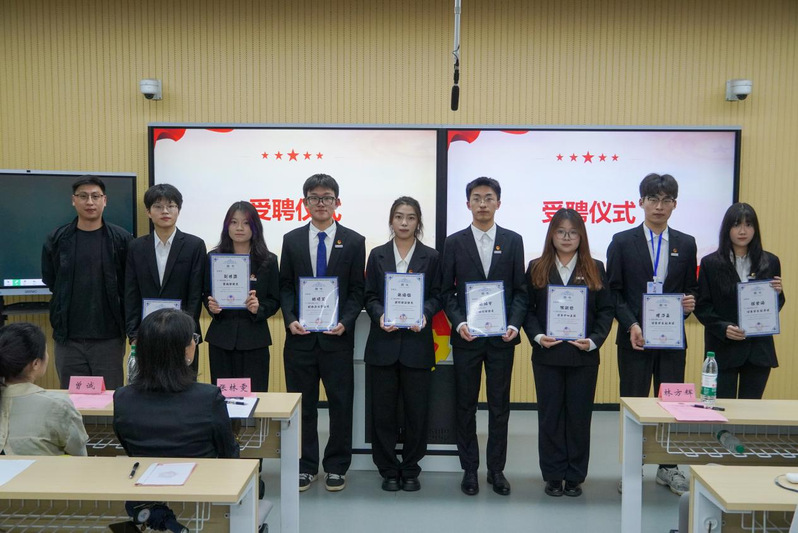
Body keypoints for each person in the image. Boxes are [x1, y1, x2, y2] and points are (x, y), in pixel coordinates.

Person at [606, 172, 698, 496]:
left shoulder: (686, 243)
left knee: (673, 404)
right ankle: (631, 469)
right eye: (653, 199)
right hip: (634, 338)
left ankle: (668, 468)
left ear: (674, 204)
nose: (659, 206)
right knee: (634, 403)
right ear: (640, 202)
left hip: (672, 340)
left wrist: (689, 304)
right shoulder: (621, 241)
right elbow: (614, 292)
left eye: (666, 200)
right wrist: (631, 324)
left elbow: (691, 290)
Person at [440, 176, 527, 497]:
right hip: (467, 338)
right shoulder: (454, 242)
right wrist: (459, 322)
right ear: (468, 204)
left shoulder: (513, 241)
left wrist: (514, 324)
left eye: (488, 198)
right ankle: (469, 470)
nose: (482, 204)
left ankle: (496, 470)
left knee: (499, 406)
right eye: (476, 198)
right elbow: (445, 291)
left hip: (502, 339)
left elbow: (521, 290)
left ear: (498, 203)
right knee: (465, 405)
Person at [279, 174, 366, 492]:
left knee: (341, 404)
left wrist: (346, 320)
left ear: (337, 202)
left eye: (327, 197)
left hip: (336, 337)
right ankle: (305, 465)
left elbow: (357, 290)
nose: (320, 203)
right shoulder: (291, 239)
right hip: (300, 338)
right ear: (305, 203)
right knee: (304, 406)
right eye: (314, 197)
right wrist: (290, 319)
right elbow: (285, 286)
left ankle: (337, 466)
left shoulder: (354, 241)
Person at [523, 208, 614, 498]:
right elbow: (527, 309)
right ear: (551, 234)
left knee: (579, 417)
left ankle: (574, 476)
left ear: (581, 236)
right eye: (560, 231)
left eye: (573, 232)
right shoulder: (536, 267)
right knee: (549, 416)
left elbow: (606, 310)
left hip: (583, 356)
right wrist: (538, 336)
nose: (566, 237)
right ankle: (552, 475)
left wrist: (594, 340)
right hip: (547, 355)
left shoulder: (595, 268)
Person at [364, 197, 441, 492]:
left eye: (410, 217)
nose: (404, 222)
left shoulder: (431, 257)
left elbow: (437, 295)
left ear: (418, 222)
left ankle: (410, 468)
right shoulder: (377, 255)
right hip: (383, 344)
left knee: (416, 412)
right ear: (391, 220)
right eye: (399, 217)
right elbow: (369, 296)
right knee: (382, 412)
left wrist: (425, 313)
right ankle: (387, 468)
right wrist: (379, 315)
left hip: (417, 345)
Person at [42, 175, 133, 390]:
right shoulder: (57, 239)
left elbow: (129, 285)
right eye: (83, 196)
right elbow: (51, 280)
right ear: (73, 200)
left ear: (105, 200)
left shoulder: (121, 239)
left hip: (109, 338)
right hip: (69, 339)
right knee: (73, 400)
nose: (89, 202)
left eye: (95, 196)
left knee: (109, 398)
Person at [113, 308, 239, 458]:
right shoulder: (209, 398)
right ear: (184, 350)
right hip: (200, 472)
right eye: (193, 338)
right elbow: (229, 453)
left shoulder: (122, 398)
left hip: (143, 471)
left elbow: (128, 448)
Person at [695, 202, 785, 399]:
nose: (743, 231)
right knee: (722, 408)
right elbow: (702, 306)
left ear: (755, 229)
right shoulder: (710, 263)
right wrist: (723, 328)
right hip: (723, 348)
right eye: (736, 225)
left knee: (751, 409)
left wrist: (777, 294)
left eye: (748, 225)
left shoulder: (770, 261)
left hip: (758, 350)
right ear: (727, 228)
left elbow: (776, 305)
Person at [124, 184, 206, 373]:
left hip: (183, 337)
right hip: (147, 334)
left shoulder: (194, 245)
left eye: (171, 206)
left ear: (179, 210)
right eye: (158, 206)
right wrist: (134, 334)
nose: (165, 211)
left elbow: (195, 295)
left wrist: (188, 333)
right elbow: (131, 292)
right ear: (148, 211)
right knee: (149, 385)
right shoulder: (136, 247)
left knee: (184, 385)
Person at [204, 201, 280, 392]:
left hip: (254, 340)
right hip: (221, 339)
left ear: (255, 227)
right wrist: (212, 307)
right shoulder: (213, 258)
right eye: (234, 222)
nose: (239, 228)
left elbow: (275, 299)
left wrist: (259, 308)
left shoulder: (268, 260)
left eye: (246, 223)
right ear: (226, 226)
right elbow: (205, 293)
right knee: (224, 398)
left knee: (254, 397)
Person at [0, 322, 88, 456]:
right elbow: (79, 454)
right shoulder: (58, 405)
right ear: (35, 364)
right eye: (45, 351)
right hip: (45, 470)